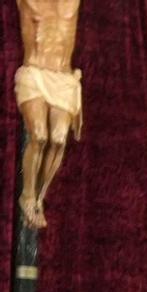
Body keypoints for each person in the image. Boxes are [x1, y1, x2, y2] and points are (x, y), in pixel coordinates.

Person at [15, 0, 83, 231]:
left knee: (59, 139)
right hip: (34, 73)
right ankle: (27, 195)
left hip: (63, 79)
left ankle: (39, 198)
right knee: (40, 137)